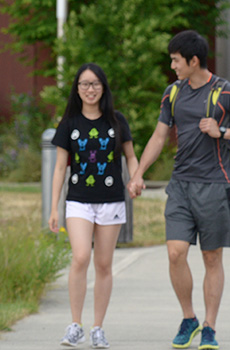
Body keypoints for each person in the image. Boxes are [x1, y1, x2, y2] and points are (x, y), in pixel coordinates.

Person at [127, 29, 230, 350]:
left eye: (176, 61)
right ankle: (189, 317)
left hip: (214, 185)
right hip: (181, 185)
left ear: (193, 60)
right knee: (175, 253)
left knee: (211, 257)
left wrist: (223, 131)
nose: (173, 66)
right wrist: (138, 173)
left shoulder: (226, 92)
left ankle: (209, 327)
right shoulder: (172, 93)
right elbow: (159, 136)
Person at [49, 63, 139, 349]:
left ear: (104, 87)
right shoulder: (69, 123)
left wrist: (136, 179)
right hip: (78, 201)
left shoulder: (116, 121)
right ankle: (75, 324)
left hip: (111, 201)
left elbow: (131, 157)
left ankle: (97, 327)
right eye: (85, 84)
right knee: (80, 258)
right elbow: (60, 168)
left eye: (95, 84)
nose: (90, 89)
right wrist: (54, 208)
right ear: (77, 89)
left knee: (103, 264)